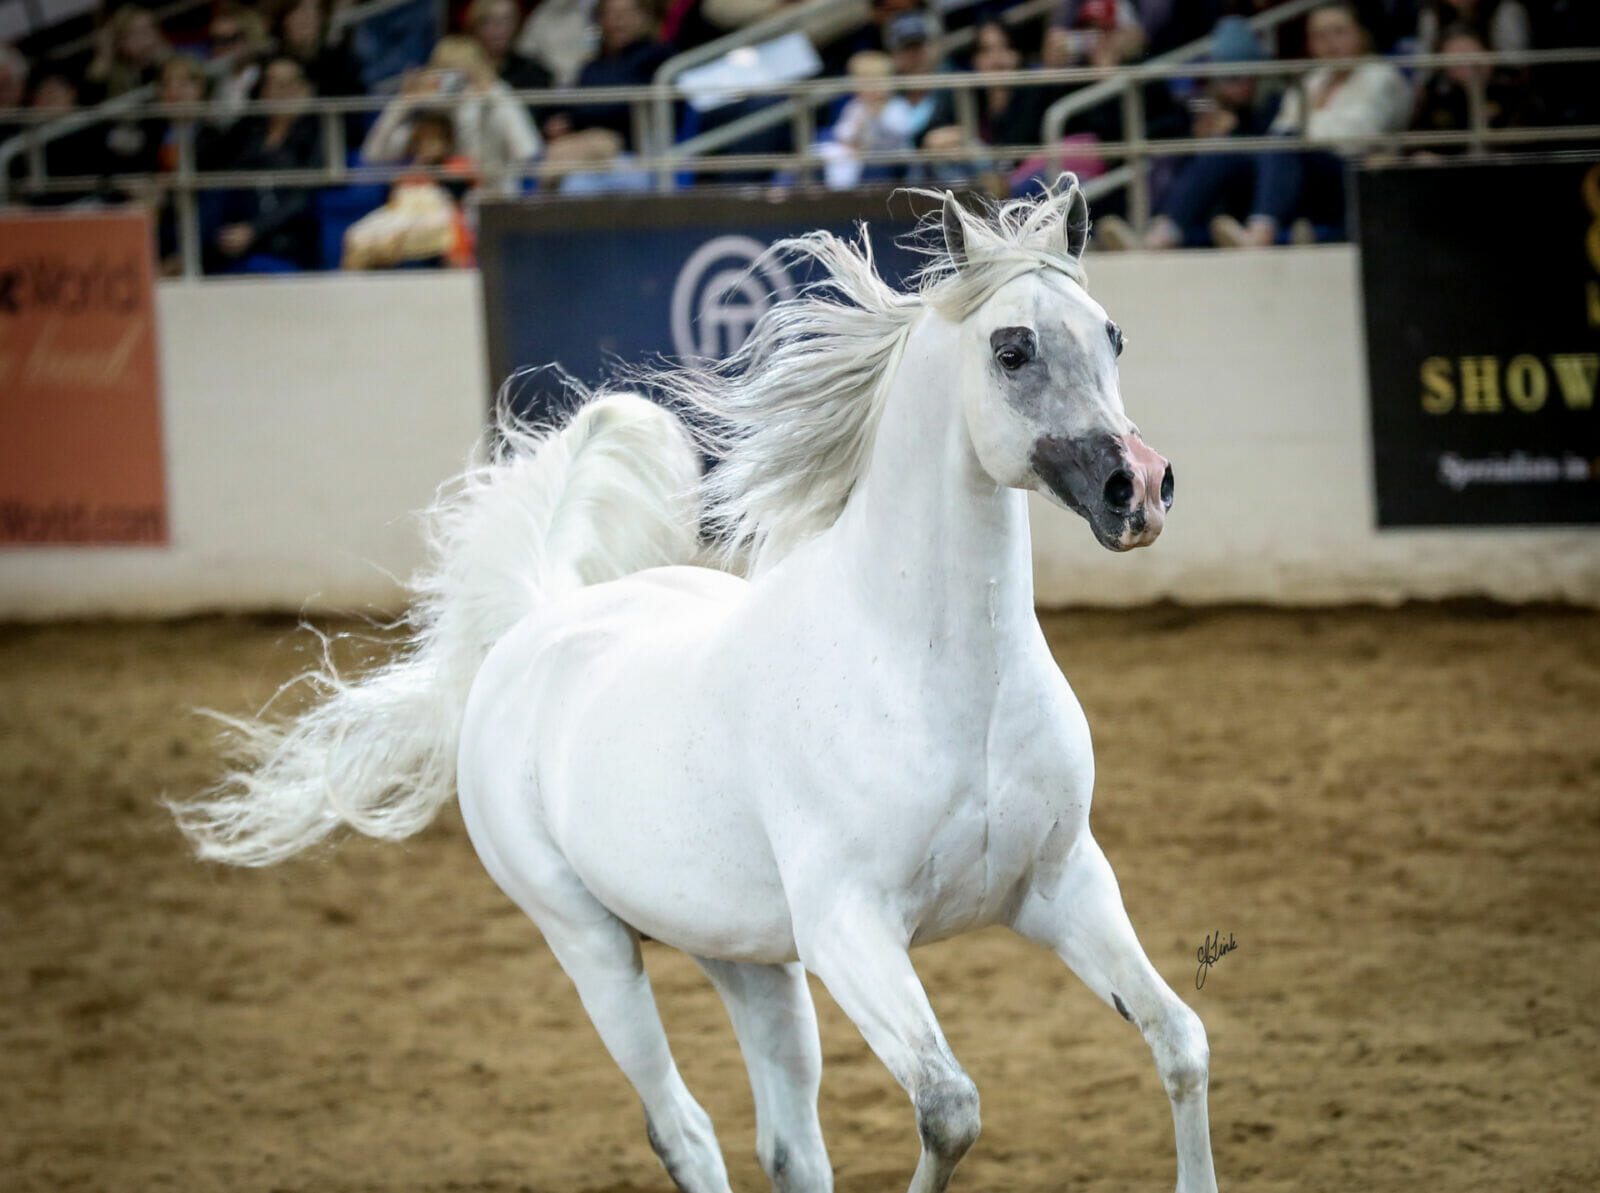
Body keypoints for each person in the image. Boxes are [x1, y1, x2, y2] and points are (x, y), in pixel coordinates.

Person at [1210, 0, 1410, 246]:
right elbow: (1279, 131)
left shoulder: (1380, 77)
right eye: (1319, 35)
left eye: (1338, 32)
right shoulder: (1312, 81)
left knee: (1287, 144)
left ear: (1360, 34)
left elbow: (1356, 137)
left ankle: (1260, 234)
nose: (1329, 43)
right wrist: (1302, 133)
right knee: (1225, 152)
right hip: (1306, 172)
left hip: (1353, 175)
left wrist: (1304, 128)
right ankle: (1166, 231)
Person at [1095, 16, 1283, 249]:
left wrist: (1234, 130)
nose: (1238, 85)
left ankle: (1161, 236)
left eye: (1244, 75)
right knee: (1168, 158)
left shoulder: (1271, 103)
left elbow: (1275, 156)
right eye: (1228, 76)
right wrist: (1195, 135)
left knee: (1219, 153)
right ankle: (1150, 231)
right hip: (1205, 194)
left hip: (1250, 190)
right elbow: (1157, 132)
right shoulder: (1199, 104)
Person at [361, 36, 541, 194]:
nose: (455, 85)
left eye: (463, 76)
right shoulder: (426, 120)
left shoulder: (494, 105)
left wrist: (495, 93)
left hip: (492, 200)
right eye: (446, 73)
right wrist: (403, 102)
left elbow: (528, 151)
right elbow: (372, 156)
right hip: (437, 210)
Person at [206, 56, 325, 271]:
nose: (277, 91)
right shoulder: (250, 132)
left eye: (286, 84)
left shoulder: (317, 133)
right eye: (270, 83)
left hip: (287, 238)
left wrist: (254, 230)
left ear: (304, 89)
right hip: (237, 235)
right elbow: (226, 179)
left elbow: (302, 199)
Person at [343, 112, 475, 269]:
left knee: (440, 232)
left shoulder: (455, 165)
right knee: (356, 235)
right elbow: (392, 203)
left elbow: (457, 196)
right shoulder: (405, 168)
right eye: (425, 138)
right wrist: (420, 164)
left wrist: (433, 169)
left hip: (439, 219)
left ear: (447, 140)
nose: (429, 143)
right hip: (403, 217)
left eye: (436, 137)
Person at [819, 50, 916, 188]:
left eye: (875, 81)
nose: (869, 87)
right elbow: (842, 134)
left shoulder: (897, 106)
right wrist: (854, 132)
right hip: (861, 159)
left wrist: (877, 116)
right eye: (862, 81)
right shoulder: (855, 107)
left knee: (873, 168)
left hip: (893, 161)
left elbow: (902, 132)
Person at [84, 4, 170, 102]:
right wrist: (104, 55)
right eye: (136, 34)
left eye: (150, 29)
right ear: (119, 42)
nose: (146, 39)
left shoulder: (169, 62)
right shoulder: (112, 77)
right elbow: (90, 99)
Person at [467, 0, 553, 91]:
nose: (498, 29)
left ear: (517, 26)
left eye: (506, 20)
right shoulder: (463, 68)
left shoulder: (535, 73)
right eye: (487, 21)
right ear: (474, 27)